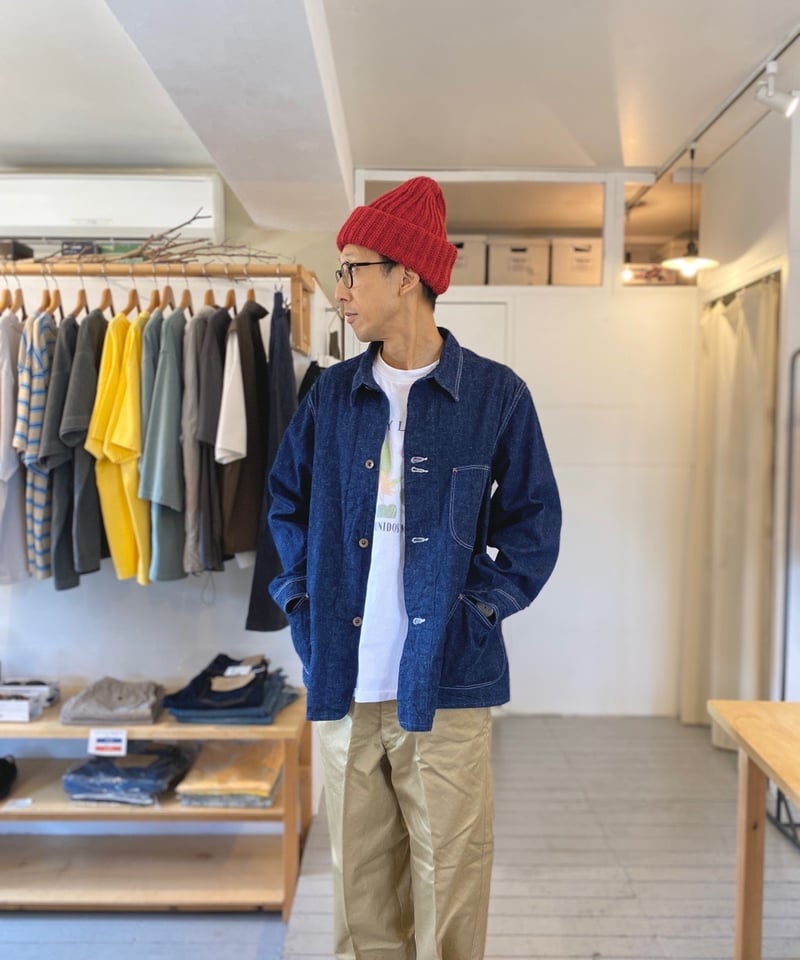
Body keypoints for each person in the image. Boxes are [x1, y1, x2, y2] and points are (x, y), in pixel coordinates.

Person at [267, 176, 561, 960]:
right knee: (362, 901)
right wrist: (301, 601)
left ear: (407, 275)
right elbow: (285, 504)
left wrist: (480, 610)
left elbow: (534, 525)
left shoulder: (494, 396)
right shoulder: (331, 396)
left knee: (451, 891)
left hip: (448, 683)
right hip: (345, 684)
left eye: (352, 270)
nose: (340, 289)